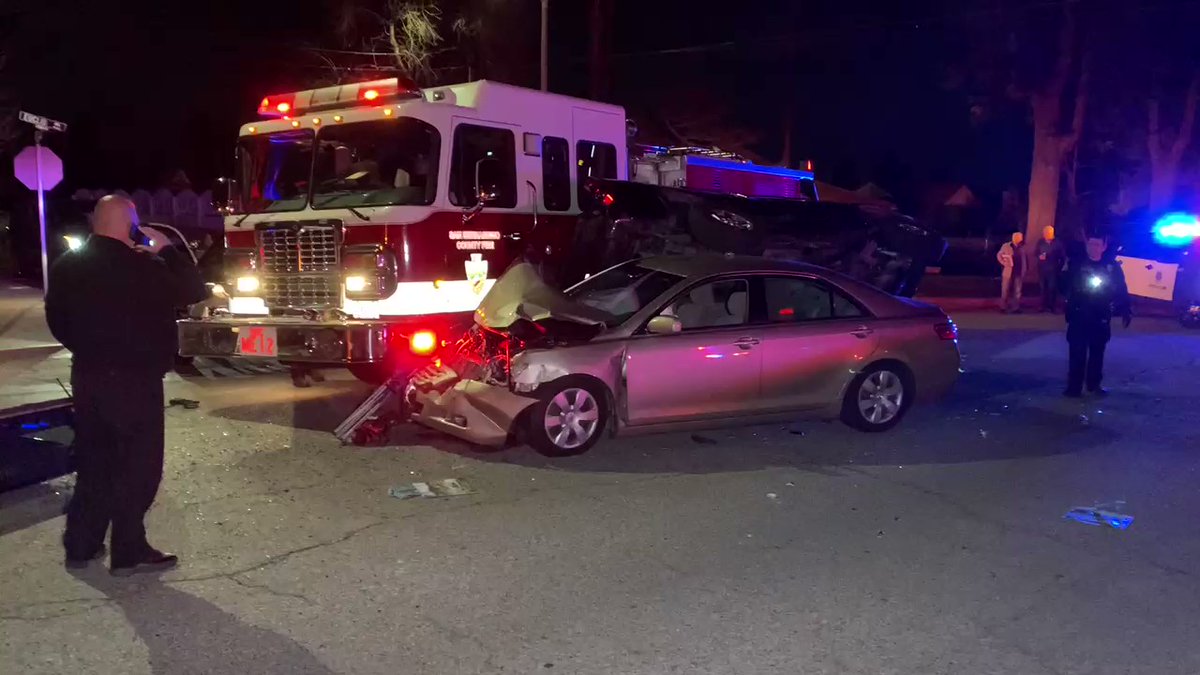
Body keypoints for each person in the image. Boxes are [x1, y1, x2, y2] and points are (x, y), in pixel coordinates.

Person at [46, 195, 208, 576]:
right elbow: (193, 290)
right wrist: (166, 249)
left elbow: (56, 317)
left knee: (95, 462)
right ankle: (129, 549)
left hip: (88, 376)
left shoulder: (68, 265)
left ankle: (82, 543)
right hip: (136, 379)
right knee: (138, 466)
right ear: (130, 225)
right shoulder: (144, 266)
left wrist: (86, 349)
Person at [1059, 235, 1131, 398]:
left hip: (1100, 315)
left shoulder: (1111, 266)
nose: (1093, 247)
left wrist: (1126, 308)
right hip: (1079, 314)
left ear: (1104, 247)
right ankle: (1074, 387)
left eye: (1097, 244)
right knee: (1077, 352)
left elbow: (1121, 287)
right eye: (1090, 244)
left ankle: (1094, 385)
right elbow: (1063, 284)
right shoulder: (1075, 264)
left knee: (1097, 352)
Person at [1035, 225, 1066, 313]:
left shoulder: (1057, 243)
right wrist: (1039, 256)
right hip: (1042, 269)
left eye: (1048, 233)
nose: (1046, 234)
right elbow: (1036, 252)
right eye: (1045, 233)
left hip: (1053, 269)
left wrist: (1059, 267)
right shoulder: (1040, 242)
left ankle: (1052, 307)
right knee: (1042, 288)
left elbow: (1062, 257)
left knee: (1052, 288)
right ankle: (1042, 306)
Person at [997, 231, 1027, 313]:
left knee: (1017, 291)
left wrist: (1025, 269)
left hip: (1018, 272)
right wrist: (1004, 263)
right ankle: (1003, 307)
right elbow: (999, 255)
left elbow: (1024, 259)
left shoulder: (1022, 247)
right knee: (1005, 290)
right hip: (1008, 272)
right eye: (1019, 238)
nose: (1021, 240)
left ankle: (1015, 308)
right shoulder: (1006, 246)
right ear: (1015, 238)